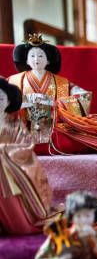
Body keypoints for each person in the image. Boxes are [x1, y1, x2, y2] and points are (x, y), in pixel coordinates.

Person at [8, 33, 97, 153]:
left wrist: (56, 106)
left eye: (40, 56)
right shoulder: (14, 81)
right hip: (23, 129)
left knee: (71, 143)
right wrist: (22, 104)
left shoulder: (61, 83)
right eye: (32, 56)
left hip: (54, 129)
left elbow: (84, 96)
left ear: (48, 61)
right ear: (27, 61)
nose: (36, 60)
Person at [0, 78, 58, 234]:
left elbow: (26, 145)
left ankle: (16, 221)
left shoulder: (14, 124)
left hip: (10, 168)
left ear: (9, 101)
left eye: (1, 99)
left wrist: (4, 151)